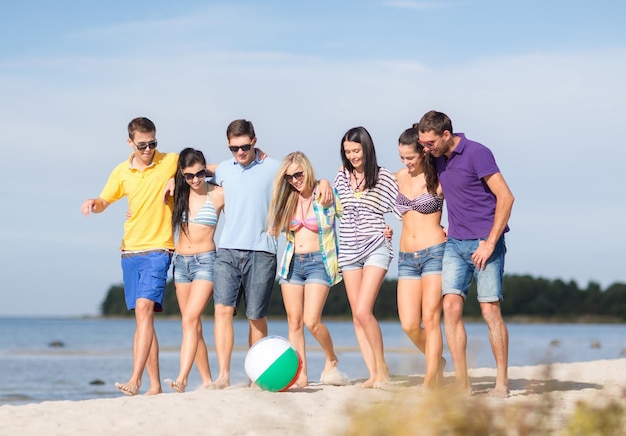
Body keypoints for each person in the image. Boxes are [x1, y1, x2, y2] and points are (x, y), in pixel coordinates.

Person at [416, 110, 514, 398]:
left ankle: (501, 383)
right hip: (455, 245)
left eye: (430, 143)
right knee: (450, 308)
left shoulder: (478, 153)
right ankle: (462, 383)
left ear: (446, 135)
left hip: (486, 243)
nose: (426, 149)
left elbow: (506, 197)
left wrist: (490, 243)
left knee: (489, 310)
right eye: (424, 144)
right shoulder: (437, 158)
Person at [81, 117, 176, 396]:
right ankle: (155, 386)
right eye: (143, 145)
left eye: (153, 143)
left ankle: (135, 379)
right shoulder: (121, 171)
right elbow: (104, 201)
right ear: (130, 143)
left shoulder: (170, 160)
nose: (148, 150)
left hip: (159, 248)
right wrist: (92, 204)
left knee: (145, 310)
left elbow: (202, 167)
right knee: (143, 319)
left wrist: (174, 177)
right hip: (129, 251)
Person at [267, 151, 350, 388]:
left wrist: (381, 229)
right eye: (289, 177)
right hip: (292, 263)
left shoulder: (325, 193)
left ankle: (331, 357)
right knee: (294, 322)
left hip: (319, 263)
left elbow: (351, 215)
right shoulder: (288, 200)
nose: (294, 180)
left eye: (298, 174)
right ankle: (300, 374)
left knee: (311, 321)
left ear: (307, 170)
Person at [333, 126, 400, 389]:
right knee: (357, 316)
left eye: (356, 150)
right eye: (347, 151)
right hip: (348, 250)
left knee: (363, 310)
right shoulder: (341, 176)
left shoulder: (384, 177)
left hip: (375, 246)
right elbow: (332, 204)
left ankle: (382, 369)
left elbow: (401, 209)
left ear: (366, 148)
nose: (352, 156)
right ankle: (373, 374)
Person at [163, 148, 224, 393]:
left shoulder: (219, 193)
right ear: (182, 175)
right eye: (189, 176)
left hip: (206, 262)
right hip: (181, 264)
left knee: (189, 319)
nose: (196, 179)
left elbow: (229, 168)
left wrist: (208, 168)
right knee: (191, 324)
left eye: (200, 173)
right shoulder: (178, 193)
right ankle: (207, 380)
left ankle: (182, 378)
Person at [394, 127, 447, 389]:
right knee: (409, 324)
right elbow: (360, 180)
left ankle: (430, 381)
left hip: (434, 253)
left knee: (430, 318)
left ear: (423, 152)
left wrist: (458, 232)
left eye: (410, 158)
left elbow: (464, 200)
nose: (406, 163)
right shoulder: (397, 177)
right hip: (406, 257)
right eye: (402, 157)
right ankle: (436, 359)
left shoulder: (439, 177)